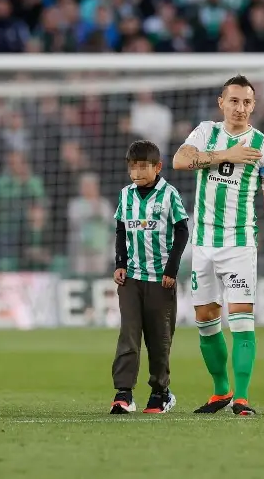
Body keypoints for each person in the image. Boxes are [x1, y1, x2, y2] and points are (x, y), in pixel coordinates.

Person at [172, 74, 264, 416]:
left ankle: (241, 397)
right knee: (206, 320)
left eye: (247, 102)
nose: (240, 108)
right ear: (221, 102)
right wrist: (228, 154)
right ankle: (221, 392)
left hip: (239, 244)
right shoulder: (205, 131)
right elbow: (180, 160)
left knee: (241, 320)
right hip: (204, 244)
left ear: (254, 106)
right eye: (234, 101)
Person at [111, 140, 189, 414]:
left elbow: (182, 232)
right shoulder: (125, 195)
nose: (137, 173)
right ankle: (123, 393)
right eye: (133, 167)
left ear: (158, 167)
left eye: (143, 167)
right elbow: (121, 230)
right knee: (129, 335)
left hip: (160, 279)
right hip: (131, 279)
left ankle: (160, 392)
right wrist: (120, 263)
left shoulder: (169, 194)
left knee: (159, 339)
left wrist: (171, 270)